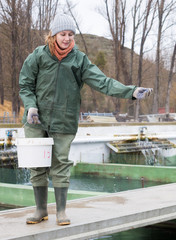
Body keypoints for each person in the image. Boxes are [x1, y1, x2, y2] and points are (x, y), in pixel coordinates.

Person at [19, 14, 152, 226]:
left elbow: (103, 82)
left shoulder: (79, 60)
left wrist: (132, 92)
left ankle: (61, 211)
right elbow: (25, 85)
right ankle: (41, 210)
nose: (67, 38)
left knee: (60, 163)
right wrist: (30, 105)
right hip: (36, 119)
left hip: (64, 120)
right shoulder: (38, 56)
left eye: (71, 35)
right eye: (63, 34)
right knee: (37, 165)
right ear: (53, 35)